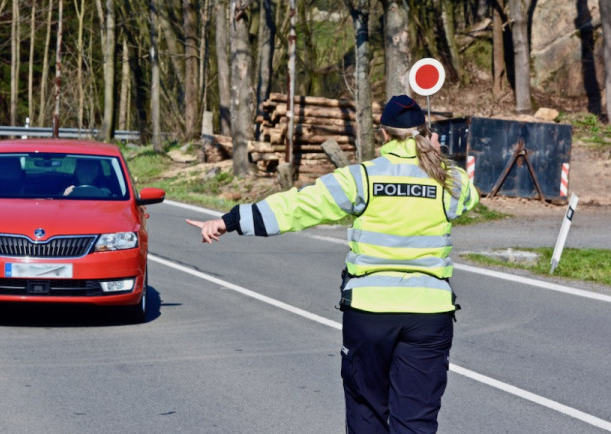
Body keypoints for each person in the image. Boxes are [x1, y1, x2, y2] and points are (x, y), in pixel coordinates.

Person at [186, 95, 478, 433]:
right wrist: (437, 158)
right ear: (425, 133)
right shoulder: (447, 180)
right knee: (416, 421)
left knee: (366, 412)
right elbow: (469, 199)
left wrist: (231, 220)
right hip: (430, 316)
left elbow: (297, 207)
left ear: (383, 135)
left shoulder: (361, 178)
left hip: (369, 314)